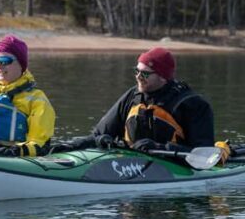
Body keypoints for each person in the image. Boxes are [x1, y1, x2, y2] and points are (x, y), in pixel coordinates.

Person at [59, 47, 226, 159]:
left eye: (145, 74)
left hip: (174, 169)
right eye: (136, 71)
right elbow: (98, 135)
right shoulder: (132, 96)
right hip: (130, 164)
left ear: (162, 76)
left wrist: (159, 148)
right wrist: (68, 146)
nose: (138, 77)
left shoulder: (193, 105)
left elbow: (204, 155)